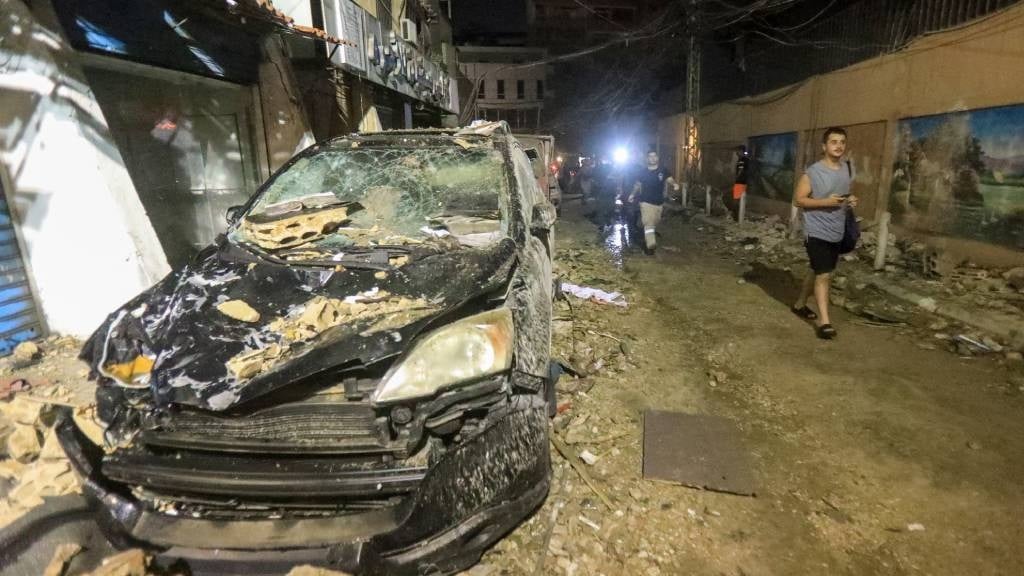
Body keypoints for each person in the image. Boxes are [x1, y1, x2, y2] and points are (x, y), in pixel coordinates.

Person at [792, 127, 858, 339]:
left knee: (816, 269)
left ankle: (800, 304)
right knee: (824, 274)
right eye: (833, 142)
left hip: (836, 230)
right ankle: (824, 322)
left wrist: (850, 200)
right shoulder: (813, 172)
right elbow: (799, 200)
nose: (838, 145)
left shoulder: (846, 169)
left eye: (842, 142)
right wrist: (826, 202)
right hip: (816, 230)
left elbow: (844, 195)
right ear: (824, 146)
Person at [628, 150, 679, 254]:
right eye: (650, 156)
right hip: (645, 202)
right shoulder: (642, 172)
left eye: (654, 156)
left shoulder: (663, 170)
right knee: (649, 222)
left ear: (657, 158)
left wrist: (674, 184)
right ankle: (651, 244)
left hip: (658, 203)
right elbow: (637, 185)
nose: (652, 158)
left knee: (655, 221)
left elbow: (670, 179)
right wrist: (632, 194)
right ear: (647, 159)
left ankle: (646, 234)